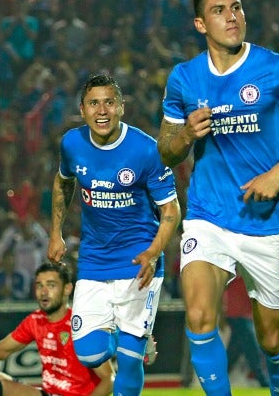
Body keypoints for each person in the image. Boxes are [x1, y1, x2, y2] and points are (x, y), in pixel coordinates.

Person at [157, 0, 279, 396]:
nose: (232, 16)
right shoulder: (184, 78)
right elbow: (166, 151)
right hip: (208, 217)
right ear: (201, 24)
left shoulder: (274, 67)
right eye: (219, 10)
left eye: (236, 7)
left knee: (271, 339)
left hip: (266, 223)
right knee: (201, 317)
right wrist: (185, 135)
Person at [47, 73, 180, 395]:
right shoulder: (72, 143)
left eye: (109, 102)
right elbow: (62, 182)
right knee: (89, 354)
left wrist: (154, 251)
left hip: (138, 260)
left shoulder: (147, 151)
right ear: (82, 109)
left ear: (121, 107)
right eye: (94, 103)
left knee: (130, 360)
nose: (101, 110)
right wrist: (56, 233)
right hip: (94, 261)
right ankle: (135, 337)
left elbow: (172, 211)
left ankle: (135, 341)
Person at [0, 262, 114, 396]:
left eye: (51, 285)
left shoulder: (81, 325)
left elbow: (109, 378)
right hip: (47, 393)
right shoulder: (36, 320)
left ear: (67, 289)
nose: (44, 292)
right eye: (40, 285)